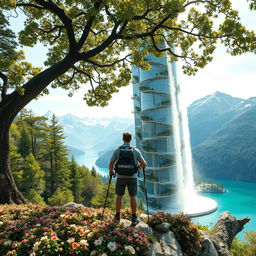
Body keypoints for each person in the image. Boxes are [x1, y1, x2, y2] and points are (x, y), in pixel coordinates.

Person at [109, 132, 147, 225]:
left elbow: (111, 163)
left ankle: (117, 216)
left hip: (120, 177)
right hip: (132, 177)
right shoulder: (135, 151)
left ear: (123, 139)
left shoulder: (117, 150)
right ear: (130, 139)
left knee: (119, 196)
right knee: (133, 197)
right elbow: (144, 164)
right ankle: (134, 218)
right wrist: (137, 166)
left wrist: (111, 172)